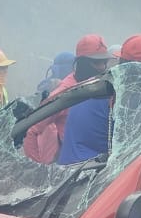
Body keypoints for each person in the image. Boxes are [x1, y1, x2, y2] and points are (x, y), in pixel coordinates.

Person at [58, 35, 141, 165]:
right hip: (89, 170)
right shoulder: (125, 96)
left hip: (71, 165)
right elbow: (136, 145)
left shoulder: (96, 84)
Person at [24, 35, 110, 164]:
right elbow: (31, 130)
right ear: (83, 62)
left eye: (104, 62)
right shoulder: (63, 94)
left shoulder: (100, 87)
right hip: (73, 164)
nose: (103, 67)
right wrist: (35, 167)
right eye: (97, 62)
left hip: (100, 160)